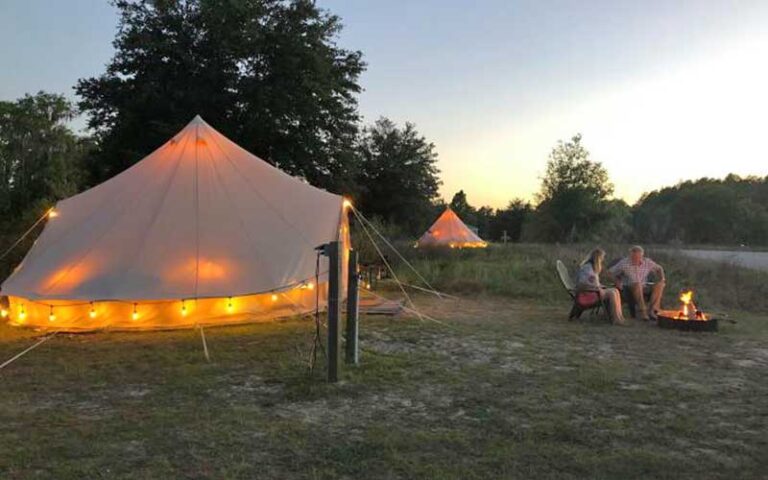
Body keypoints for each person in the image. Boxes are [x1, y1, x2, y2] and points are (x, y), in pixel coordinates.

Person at [607, 245, 666, 321]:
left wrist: (662, 278)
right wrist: (617, 281)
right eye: (633, 257)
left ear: (642, 256)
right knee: (637, 284)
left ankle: (652, 310)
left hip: (644, 285)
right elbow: (609, 272)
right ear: (630, 255)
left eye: (637, 257)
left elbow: (659, 268)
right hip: (628, 287)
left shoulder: (647, 262)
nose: (635, 259)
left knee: (660, 285)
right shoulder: (624, 263)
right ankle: (643, 312)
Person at [575, 248, 626, 325]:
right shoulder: (587, 268)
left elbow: (594, 282)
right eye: (602, 258)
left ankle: (619, 317)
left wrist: (601, 287)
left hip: (594, 290)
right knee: (612, 293)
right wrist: (598, 289)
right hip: (588, 293)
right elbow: (583, 284)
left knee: (615, 290)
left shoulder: (592, 267)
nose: (603, 260)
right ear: (598, 258)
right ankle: (615, 319)